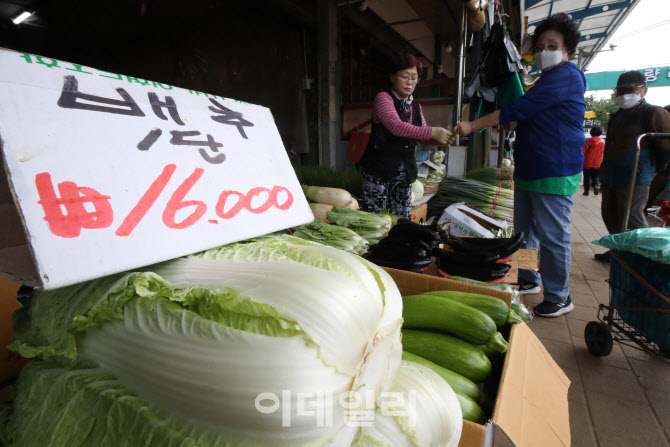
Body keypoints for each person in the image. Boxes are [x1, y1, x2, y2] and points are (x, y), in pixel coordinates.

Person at [454, 13, 585, 318]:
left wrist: (474, 125)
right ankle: (528, 277)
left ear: (568, 50)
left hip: (555, 170)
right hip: (530, 168)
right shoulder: (546, 79)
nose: (544, 51)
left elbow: (519, 108)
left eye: (552, 44)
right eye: (539, 45)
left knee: (553, 236)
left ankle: (559, 296)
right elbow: (527, 115)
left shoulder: (567, 75)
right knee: (525, 233)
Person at [359, 52, 454, 219]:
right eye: (405, 76)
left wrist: (437, 138)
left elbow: (422, 135)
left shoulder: (416, 106)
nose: (410, 82)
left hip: (404, 174)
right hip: (378, 171)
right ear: (392, 77)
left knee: (403, 222)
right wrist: (433, 131)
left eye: (414, 77)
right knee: (377, 221)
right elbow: (396, 127)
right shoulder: (383, 98)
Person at [595, 72, 670, 262]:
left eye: (629, 90)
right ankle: (618, 250)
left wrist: (655, 170)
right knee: (610, 214)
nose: (623, 95)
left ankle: (645, 256)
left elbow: (665, 147)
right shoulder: (616, 116)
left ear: (643, 90)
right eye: (619, 91)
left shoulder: (654, 113)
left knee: (632, 216)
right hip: (611, 174)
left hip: (636, 174)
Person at [645, 104, 670, 211]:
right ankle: (647, 205)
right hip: (663, 167)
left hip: (663, 168)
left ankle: (647, 205)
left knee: (657, 183)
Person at [582, 126, 604, 196]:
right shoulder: (603, 142)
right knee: (596, 176)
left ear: (591, 133)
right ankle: (596, 186)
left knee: (587, 177)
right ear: (600, 133)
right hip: (598, 163)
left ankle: (587, 191)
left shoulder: (587, 142)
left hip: (587, 163)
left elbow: (583, 152)